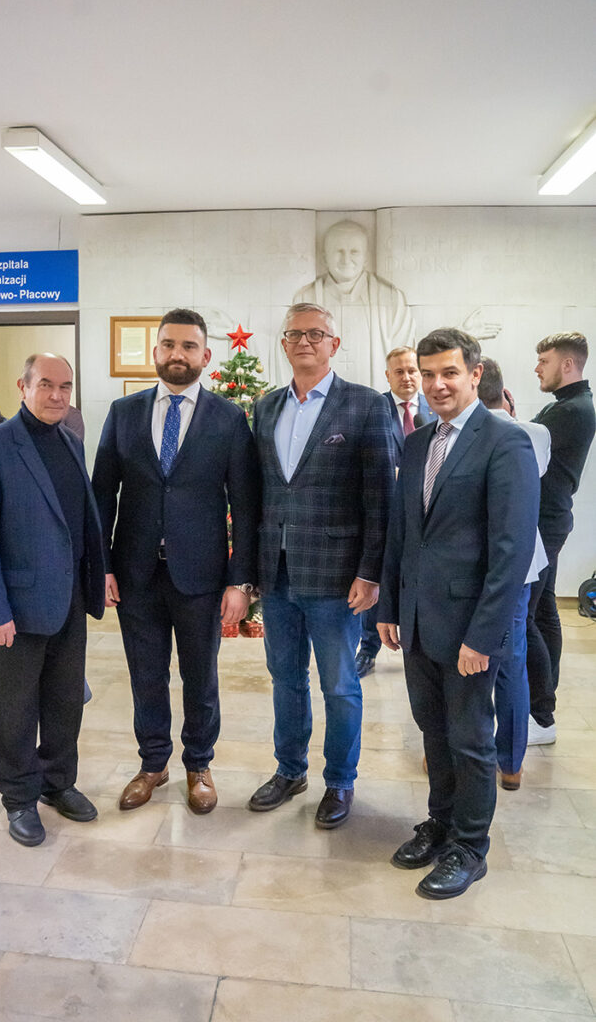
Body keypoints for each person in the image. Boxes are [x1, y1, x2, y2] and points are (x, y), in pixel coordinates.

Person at [378, 328, 539, 899]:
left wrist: (483, 635)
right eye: (428, 374)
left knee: (470, 740)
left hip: (470, 627)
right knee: (433, 730)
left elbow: (511, 551)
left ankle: (470, 848)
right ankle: (441, 823)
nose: (437, 384)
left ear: (475, 373)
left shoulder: (505, 441)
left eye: (449, 372)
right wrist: (390, 605)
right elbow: (404, 532)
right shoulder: (419, 441)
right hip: (418, 620)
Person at [92, 308, 258, 815]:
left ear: (205, 355)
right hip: (136, 572)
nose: (177, 354)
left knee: (200, 677)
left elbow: (245, 505)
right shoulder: (124, 413)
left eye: (188, 346)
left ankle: (199, 764)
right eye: (168, 344)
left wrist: (240, 582)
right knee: (146, 674)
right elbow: (102, 495)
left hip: (201, 575)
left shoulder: (229, 418)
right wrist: (102, 566)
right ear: (156, 352)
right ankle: (153, 763)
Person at [248, 302, 395, 829]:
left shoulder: (365, 405)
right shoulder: (266, 407)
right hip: (277, 572)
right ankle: (290, 771)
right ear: (283, 344)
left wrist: (371, 572)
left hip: (337, 576)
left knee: (338, 685)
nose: (305, 341)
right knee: (285, 679)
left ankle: (340, 780)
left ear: (334, 344)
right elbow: (260, 491)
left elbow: (380, 496)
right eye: (295, 334)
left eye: (316, 334)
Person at [0, 353, 105, 847]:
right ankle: (19, 796)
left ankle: (57, 782)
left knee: (65, 700)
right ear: (22, 387)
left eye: (65, 386)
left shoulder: (70, 442)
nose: (57, 395)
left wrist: (95, 578)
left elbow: (76, 521)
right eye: (46, 385)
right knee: (13, 708)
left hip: (68, 599)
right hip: (13, 608)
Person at [477, 356, 550, 790]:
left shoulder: (465, 433)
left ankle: (465, 750)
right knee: (511, 663)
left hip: (480, 564)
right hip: (523, 565)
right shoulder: (535, 432)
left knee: (467, 666)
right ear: (504, 392)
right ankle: (511, 763)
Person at [527, 332, 595, 745]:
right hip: (549, 519)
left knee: (526, 618)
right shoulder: (565, 405)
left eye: (544, 361)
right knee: (543, 611)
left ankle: (541, 715)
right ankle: (543, 706)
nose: (537, 368)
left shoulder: (572, 410)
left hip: (543, 523)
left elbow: (521, 447)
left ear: (568, 364)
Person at [356, 346, 437, 678]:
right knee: (376, 577)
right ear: (387, 376)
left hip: (427, 514)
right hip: (383, 511)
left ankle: (425, 647)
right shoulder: (373, 409)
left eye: (412, 370)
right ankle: (368, 648)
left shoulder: (436, 408)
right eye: (399, 371)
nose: (407, 377)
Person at [285, 220, 415, 389]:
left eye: (354, 251)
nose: (346, 259)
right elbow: (290, 356)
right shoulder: (305, 297)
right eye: (338, 251)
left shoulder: (391, 298)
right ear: (324, 257)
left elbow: (404, 358)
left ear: (366, 257)